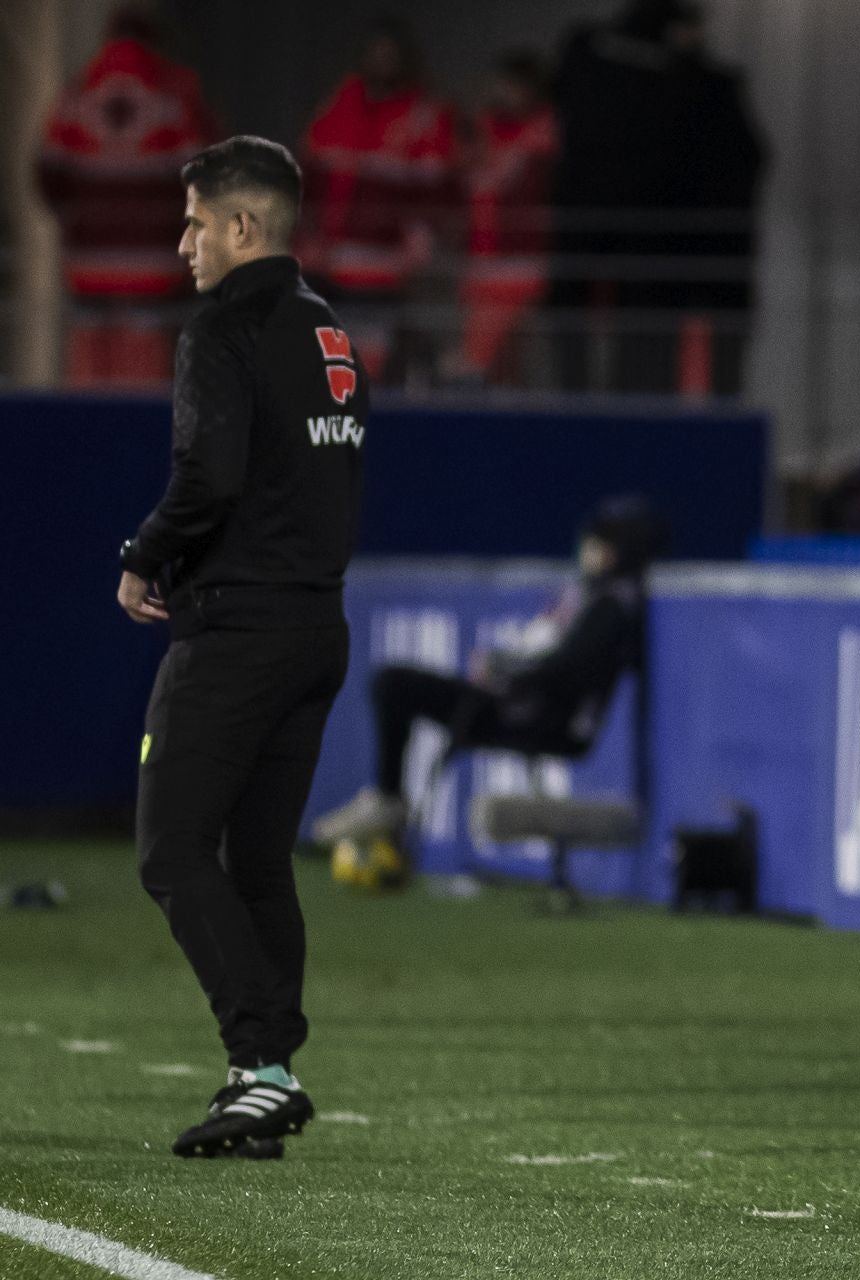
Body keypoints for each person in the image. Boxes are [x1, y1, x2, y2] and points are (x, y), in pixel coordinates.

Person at [119, 137, 367, 1159]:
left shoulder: (225, 325)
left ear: (242, 226)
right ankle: (263, 1080)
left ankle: (260, 1062)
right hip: (318, 626)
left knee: (172, 848)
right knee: (258, 861)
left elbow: (209, 474)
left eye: (194, 222)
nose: (183, 243)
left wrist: (144, 555)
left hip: (241, 627)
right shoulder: (327, 329)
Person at [313, 499, 658, 845]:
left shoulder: (613, 607)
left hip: (533, 717)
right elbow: (546, 655)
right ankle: (388, 802)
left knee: (394, 685)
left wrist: (506, 671)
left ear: (620, 553)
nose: (589, 549)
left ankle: (390, 804)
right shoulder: (588, 595)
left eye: (602, 543)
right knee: (393, 684)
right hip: (516, 704)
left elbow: (563, 667)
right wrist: (506, 664)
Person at [549, 0, 764, 394]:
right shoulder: (606, 63)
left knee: (656, 350)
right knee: (627, 340)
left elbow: (750, 158)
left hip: (681, 245)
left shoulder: (708, 84)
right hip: (632, 233)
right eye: (689, 27)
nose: (698, 37)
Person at [36, 4, 218, 386]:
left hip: (89, 262)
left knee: (88, 381)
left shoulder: (79, 92)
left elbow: (48, 174)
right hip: (153, 265)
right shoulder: (174, 94)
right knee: (142, 386)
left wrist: (82, 220)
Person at [300, 19, 458, 381]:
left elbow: (437, 193)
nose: (381, 64)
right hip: (326, 260)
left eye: (389, 57)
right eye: (375, 55)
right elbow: (311, 178)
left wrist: (419, 245)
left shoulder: (423, 117)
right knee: (321, 363)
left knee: (370, 365)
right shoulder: (338, 106)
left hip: (382, 263)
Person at [457, 51, 558, 384]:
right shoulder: (479, 131)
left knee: (522, 362)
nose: (505, 93)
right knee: (479, 362)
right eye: (502, 85)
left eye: (515, 86)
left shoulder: (547, 133)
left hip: (528, 262)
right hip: (484, 260)